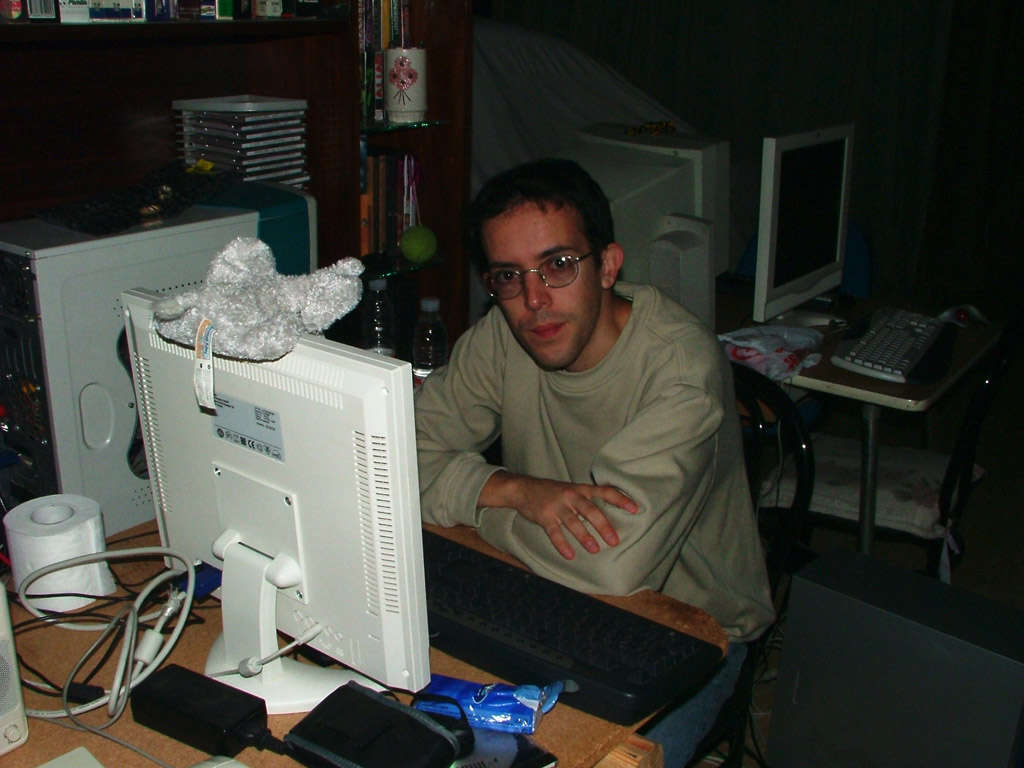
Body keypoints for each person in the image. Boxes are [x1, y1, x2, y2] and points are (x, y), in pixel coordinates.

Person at [414, 158, 774, 765]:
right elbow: (392, 459)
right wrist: (514, 490)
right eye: (509, 276)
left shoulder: (679, 370)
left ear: (608, 266)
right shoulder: (504, 334)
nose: (534, 300)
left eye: (558, 265)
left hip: (689, 632)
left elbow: (610, 564)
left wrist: (473, 499)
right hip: (542, 587)